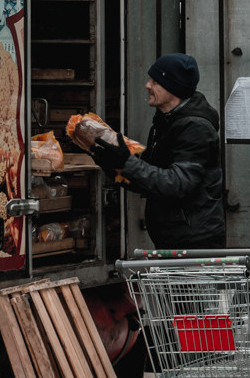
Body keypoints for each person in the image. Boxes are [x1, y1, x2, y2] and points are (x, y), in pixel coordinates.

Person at [90, 53, 226, 250]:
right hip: (175, 239)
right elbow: (150, 181)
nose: (147, 85)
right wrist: (113, 166)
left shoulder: (196, 128)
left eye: (155, 81)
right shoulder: (166, 121)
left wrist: (126, 163)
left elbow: (177, 183)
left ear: (172, 87)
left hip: (194, 244)